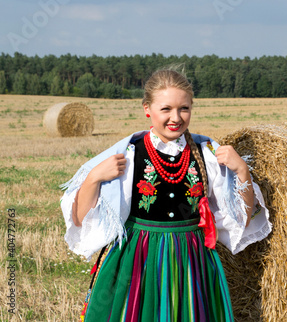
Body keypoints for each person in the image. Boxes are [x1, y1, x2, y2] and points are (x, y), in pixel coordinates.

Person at [60, 67, 272, 321]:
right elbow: (82, 219)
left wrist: (242, 171)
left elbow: (243, 217)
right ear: (147, 109)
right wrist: (94, 177)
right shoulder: (129, 154)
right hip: (137, 259)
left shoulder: (206, 155)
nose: (176, 117)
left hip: (192, 261)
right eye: (166, 109)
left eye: (184, 108)